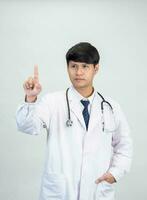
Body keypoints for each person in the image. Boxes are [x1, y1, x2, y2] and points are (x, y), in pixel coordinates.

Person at [16, 42, 133, 200]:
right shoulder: (52, 102)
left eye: (85, 66)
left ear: (95, 69)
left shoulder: (111, 107)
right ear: (67, 68)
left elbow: (124, 145)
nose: (78, 72)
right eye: (73, 66)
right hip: (61, 192)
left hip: (97, 190)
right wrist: (30, 99)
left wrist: (115, 173)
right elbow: (27, 126)